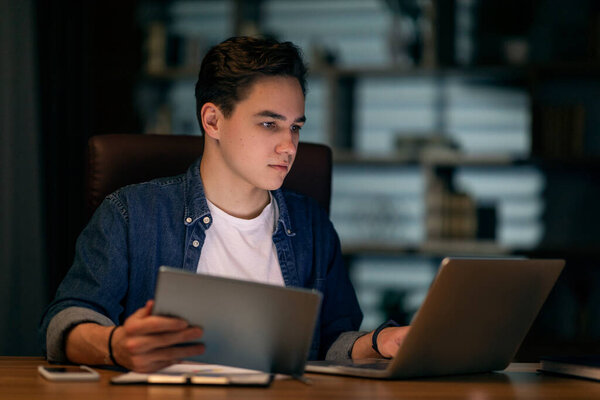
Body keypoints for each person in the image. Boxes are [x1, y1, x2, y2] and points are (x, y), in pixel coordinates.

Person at [39, 36, 409, 373]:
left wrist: (379, 343)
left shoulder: (311, 224)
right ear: (213, 120)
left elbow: (330, 341)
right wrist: (115, 346)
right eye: (269, 124)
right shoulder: (130, 214)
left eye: (295, 126)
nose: (289, 146)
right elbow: (66, 320)